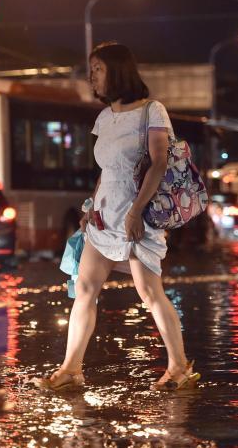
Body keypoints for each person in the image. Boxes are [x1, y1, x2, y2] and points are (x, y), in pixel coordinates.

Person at [37, 42, 199, 393]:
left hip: (137, 215)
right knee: (84, 288)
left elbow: (158, 163)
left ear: (118, 70)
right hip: (102, 216)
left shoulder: (152, 111)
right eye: (91, 69)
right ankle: (71, 369)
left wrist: (137, 211)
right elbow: (107, 170)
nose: (92, 76)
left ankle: (178, 367)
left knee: (149, 292)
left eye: (97, 69)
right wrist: (88, 208)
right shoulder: (105, 117)